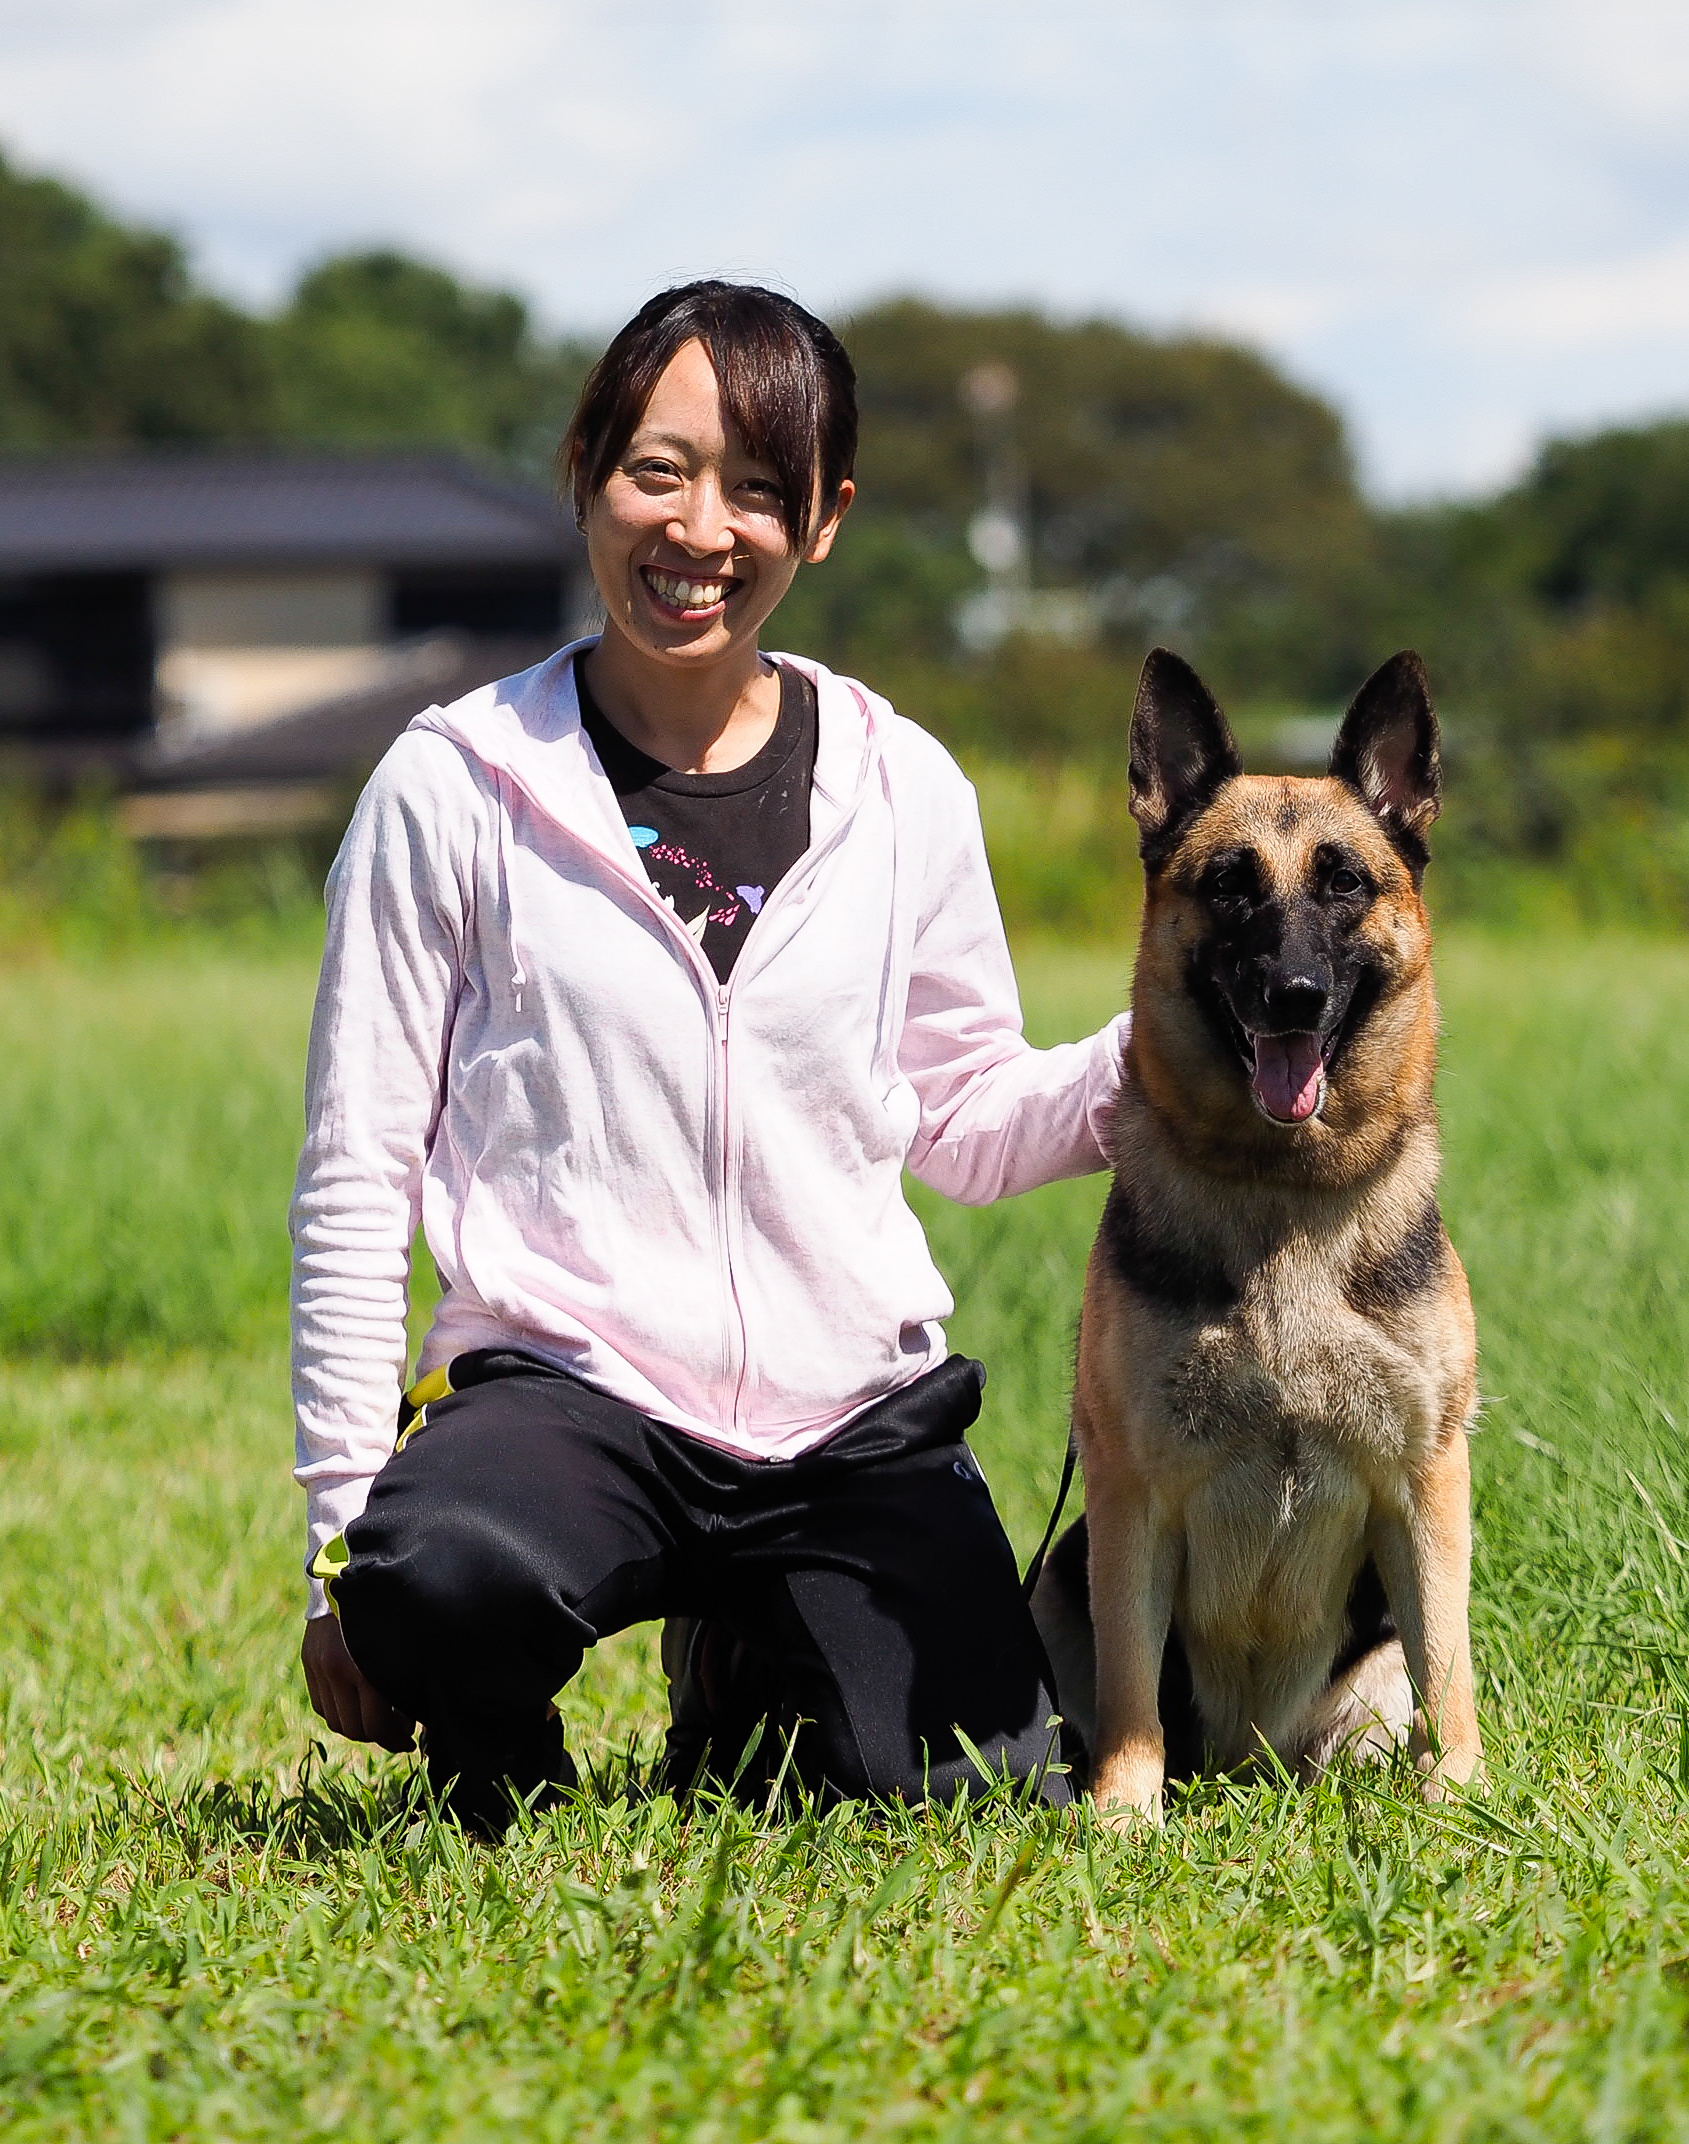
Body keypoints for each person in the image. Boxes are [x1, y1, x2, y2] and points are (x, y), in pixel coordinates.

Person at [293, 280, 1127, 1834]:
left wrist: (1153, 1065)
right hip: (567, 1391)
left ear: (822, 522)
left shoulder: (902, 784)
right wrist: (341, 1539)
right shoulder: (456, 785)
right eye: (658, 470)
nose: (700, 528)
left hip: (840, 1420)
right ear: (589, 471)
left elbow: (958, 1113)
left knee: (968, 1792)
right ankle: (499, 1755)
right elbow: (356, 1168)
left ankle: (744, 1667)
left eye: (758, 486)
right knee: (435, 1588)